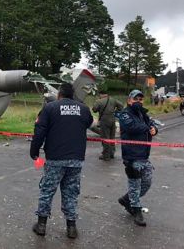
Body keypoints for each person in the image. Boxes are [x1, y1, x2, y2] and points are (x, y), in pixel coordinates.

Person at [30, 83, 93, 239]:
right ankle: (71, 227)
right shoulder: (83, 109)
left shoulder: (50, 108)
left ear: (59, 94)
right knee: (71, 193)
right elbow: (89, 123)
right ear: (73, 95)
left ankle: (42, 225)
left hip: (55, 158)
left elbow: (39, 131)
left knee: (47, 191)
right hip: (76, 159)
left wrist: (34, 151)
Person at [117, 90, 158, 227]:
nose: (139, 101)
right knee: (135, 184)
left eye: (141, 99)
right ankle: (136, 210)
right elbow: (133, 127)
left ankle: (126, 199)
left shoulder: (143, 114)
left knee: (147, 182)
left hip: (144, 155)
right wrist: (148, 127)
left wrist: (154, 129)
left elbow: (152, 124)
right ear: (129, 100)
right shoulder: (124, 114)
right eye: (136, 99)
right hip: (131, 156)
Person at [92, 90, 123, 161]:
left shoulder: (99, 101)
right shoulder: (113, 100)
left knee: (105, 138)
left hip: (104, 121)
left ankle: (106, 156)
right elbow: (121, 106)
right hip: (112, 120)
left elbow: (94, 110)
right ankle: (112, 153)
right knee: (112, 137)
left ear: (101, 94)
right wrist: (115, 111)